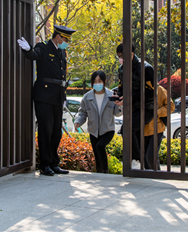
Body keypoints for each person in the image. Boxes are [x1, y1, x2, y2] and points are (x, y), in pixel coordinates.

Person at [17, 25, 76, 176]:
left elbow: (61, 76)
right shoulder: (43, 47)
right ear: (58, 37)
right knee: (46, 131)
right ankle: (44, 165)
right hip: (44, 95)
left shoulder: (62, 51)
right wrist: (28, 49)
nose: (67, 42)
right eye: (65, 39)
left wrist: (63, 96)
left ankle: (54, 163)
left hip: (57, 96)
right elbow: (34, 55)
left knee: (57, 132)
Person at [114, 43, 154, 169]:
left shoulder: (146, 68)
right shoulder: (122, 69)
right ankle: (145, 168)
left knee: (127, 128)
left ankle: (136, 160)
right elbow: (121, 88)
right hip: (131, 109)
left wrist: (129, 98)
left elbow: (150, 93)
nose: (121, 59)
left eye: (123, 56)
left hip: (146, 108)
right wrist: (119, 97)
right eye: (119, 56)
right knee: (135, 139)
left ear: (131, 54)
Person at [74, 71, 123, 173]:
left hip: (108, 129)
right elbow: (82, 112)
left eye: (99, 81)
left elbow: (117, 114)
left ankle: (105, 171)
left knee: (100, 146)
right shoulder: (87, 97)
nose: (97, 84)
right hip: (93, 130)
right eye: (95, 81)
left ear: (104, 81)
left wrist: (120, 105)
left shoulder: (111, 95)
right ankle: (99, 173)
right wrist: (78, 122)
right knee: (96, 153)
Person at [143, 84, 175, 170]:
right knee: (144, 158)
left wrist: (157, 113)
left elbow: (171, 106)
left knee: (151, 156)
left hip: (157, 128)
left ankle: (157, 174)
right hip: (142, 129)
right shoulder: (139, 88)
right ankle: (151, 175)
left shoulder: (159, 89)